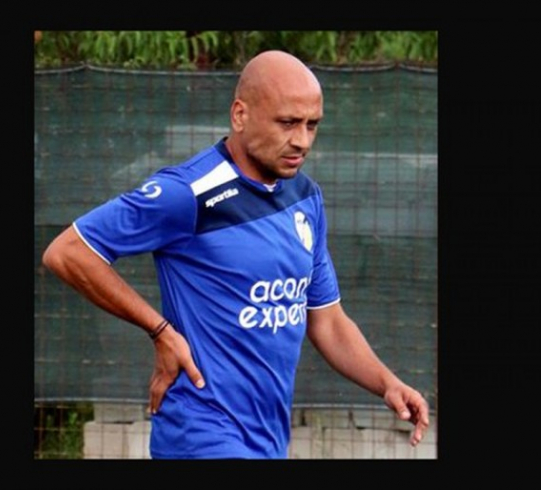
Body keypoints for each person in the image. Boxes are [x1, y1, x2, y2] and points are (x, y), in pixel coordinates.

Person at [42, 50, 429, 459]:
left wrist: (387, 383)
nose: (302, 140)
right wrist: (160, 331)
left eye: (312, 125)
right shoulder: (189, 192)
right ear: (240, 115)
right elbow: (68, 252)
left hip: (267, 438)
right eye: (287, 123)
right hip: (200, 432)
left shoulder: (305, 197)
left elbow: (327, 320)